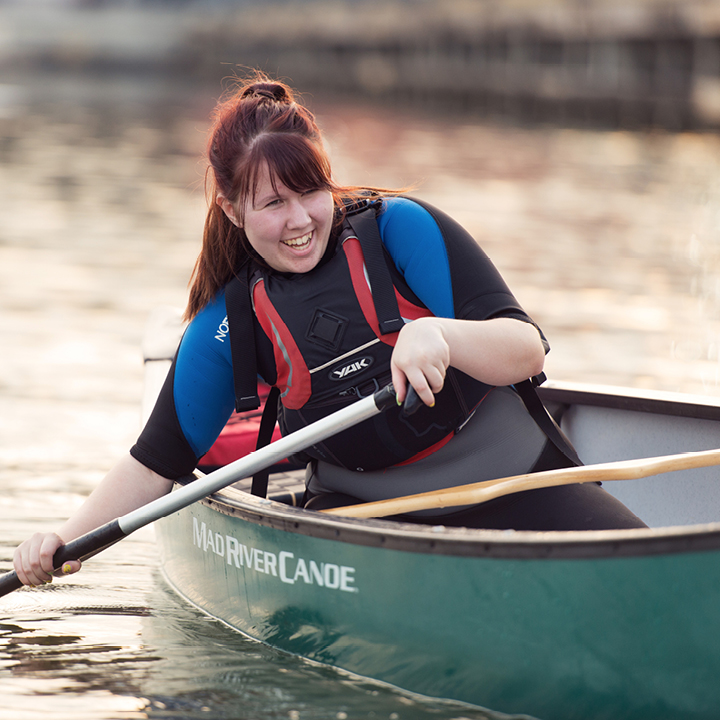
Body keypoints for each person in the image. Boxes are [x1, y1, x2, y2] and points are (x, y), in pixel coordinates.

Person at [13, 73, 645, 587]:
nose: (299, 221)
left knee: (648, 571)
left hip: (512, 480)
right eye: (272, 203)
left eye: (309, 191)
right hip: (363, 522)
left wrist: (444, 336)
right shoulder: (227, 324)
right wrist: (63, 541)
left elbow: (525, 349)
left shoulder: (403, 230)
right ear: (232, 211)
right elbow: (156, 464)